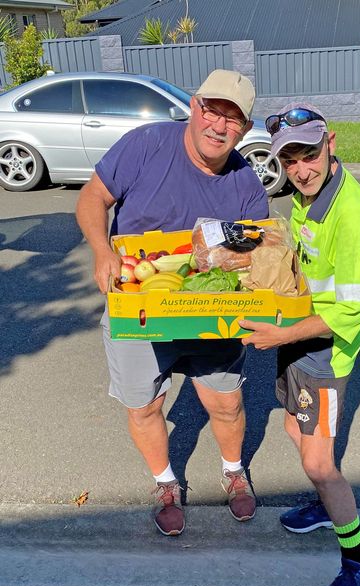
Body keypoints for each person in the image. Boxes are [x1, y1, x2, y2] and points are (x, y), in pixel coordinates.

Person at [76, 69, 269, 536]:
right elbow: (92, 197)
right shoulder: (147, 145)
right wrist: (103, 251)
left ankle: (233, 469)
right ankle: (164, 482)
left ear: (244, 129)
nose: (218, 126)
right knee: (144, 406)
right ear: (194, 106)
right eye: (211, 110)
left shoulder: (245, 182)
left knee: (225, 403)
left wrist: (234, 266)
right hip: (139, 306)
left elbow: (259, 248)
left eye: (233, 119)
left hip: (208, 312)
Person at [239, 102, 360, 586]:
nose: (301, 169)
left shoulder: (352, 211)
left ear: (331, 144)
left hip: (323, 353)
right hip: (295, 341)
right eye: (289, 159)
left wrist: (281, 334)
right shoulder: (304, 198)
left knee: (320, 464)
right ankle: (322, 507)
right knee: (295, 435)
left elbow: (350, 309)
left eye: (310, 154)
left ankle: (358, 561)